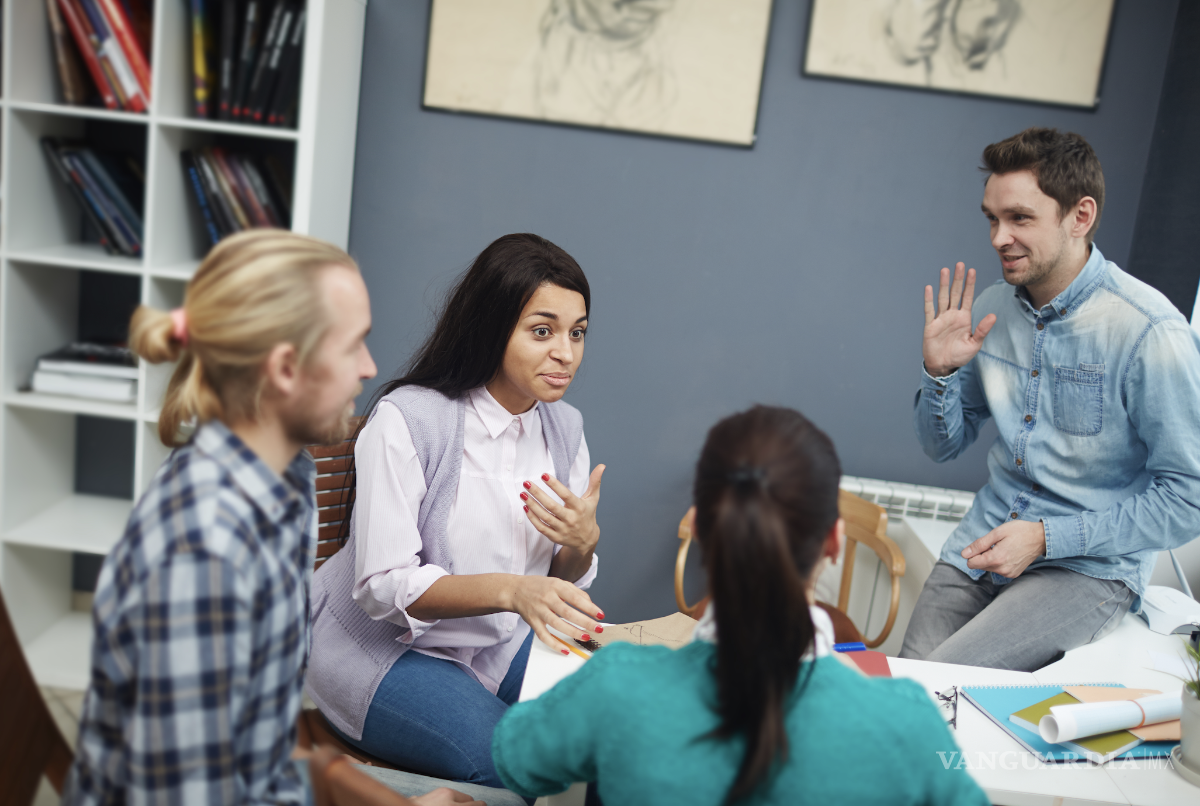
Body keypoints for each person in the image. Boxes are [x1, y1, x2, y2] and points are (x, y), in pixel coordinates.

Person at [62, 230, 494, 806]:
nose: (369, 367)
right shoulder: (203, 551)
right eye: (353, 345)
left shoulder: (285, 474)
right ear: (286, 368)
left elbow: (251, 731)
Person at [490, 406, 987, 805]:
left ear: (700, 528)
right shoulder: (905, 723)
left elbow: (517, 757)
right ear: (834, 541)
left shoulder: (616, 683)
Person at [307, 233, 606, 792]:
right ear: (493, 328)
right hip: (386, 652)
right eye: (542, 331)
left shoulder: (564, 429)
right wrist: (514, 591)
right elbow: (382, 587)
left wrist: (581, 542)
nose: (566, 353)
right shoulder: (409, 422)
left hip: (500, 639)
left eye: (577, 331)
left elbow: (553, 586)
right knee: (515, 765)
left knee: (614, 732)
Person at [899, 127, 1200, 670]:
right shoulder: (992, 309)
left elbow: (1188, 497)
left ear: (1079, 217)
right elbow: (941, 446)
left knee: (943, 696)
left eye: (1020, 218)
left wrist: (1045, 538)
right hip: (981, 546)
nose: (998, 237)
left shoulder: (1149, 332)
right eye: (992, 218)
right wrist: (937, 372)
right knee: (905, 691)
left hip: (1086, 568)